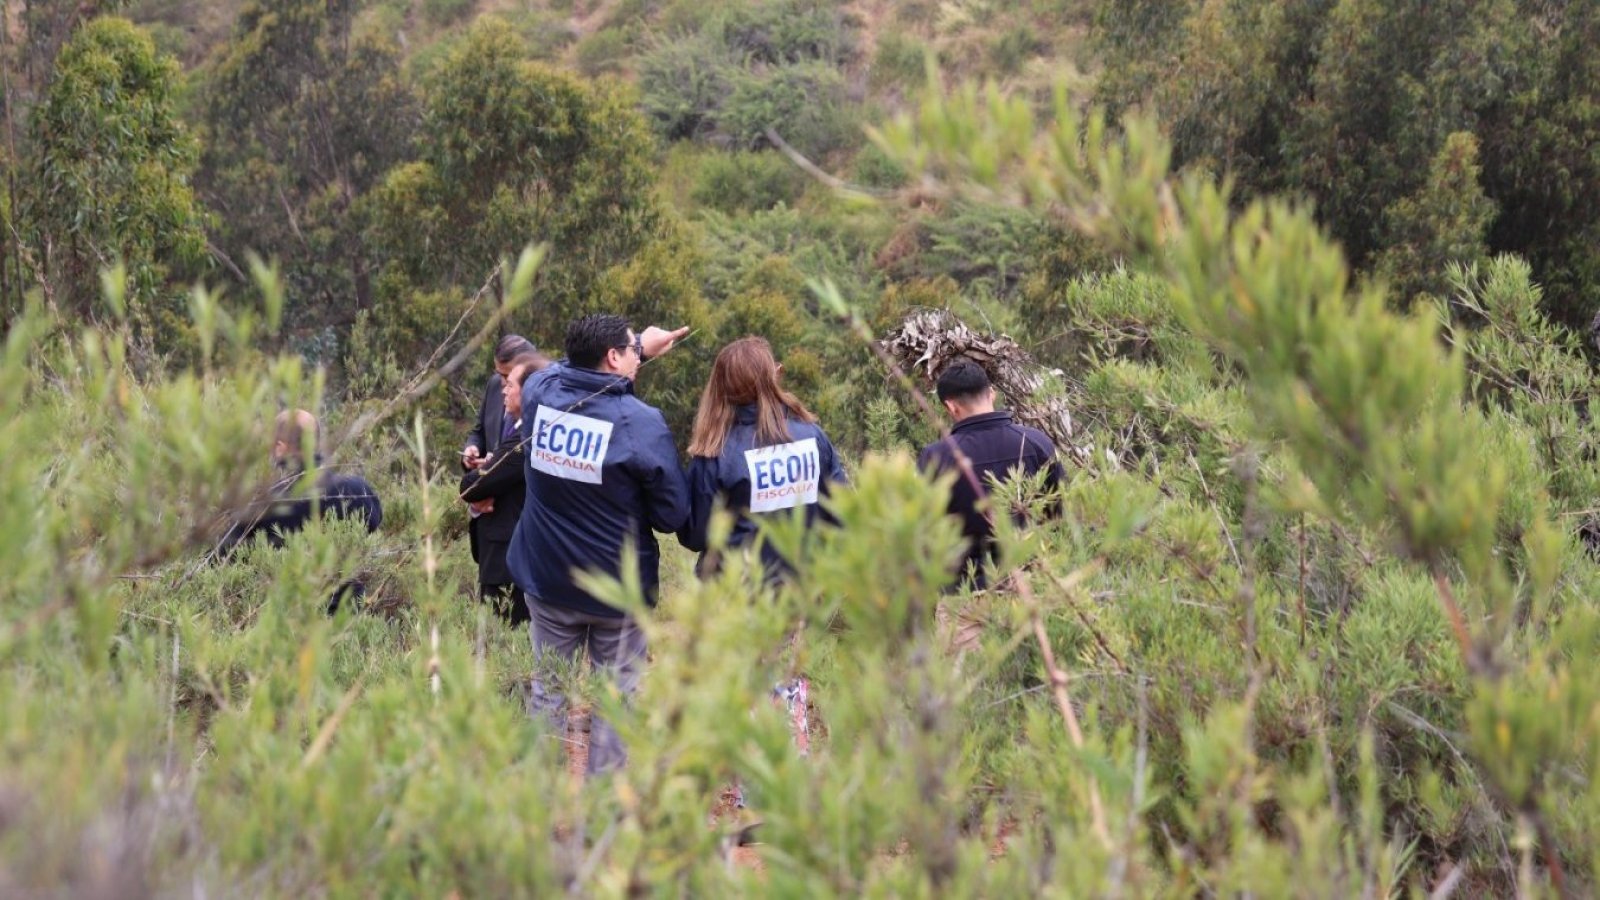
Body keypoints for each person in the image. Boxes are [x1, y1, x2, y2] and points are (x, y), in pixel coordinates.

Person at [506, 315, 690, 774]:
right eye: (631, 348)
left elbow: (554, 369)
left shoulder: (539, 393)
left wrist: (641, 350)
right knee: (616, 700)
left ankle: (536, 807)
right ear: (614, 357)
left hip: (548, 581)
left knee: (549, 692)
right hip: (616, 593)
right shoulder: (640, 424)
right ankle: (605, 812)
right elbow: (672, 515)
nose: (637, 353)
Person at [678, 336, 847, 823]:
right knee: (786, 683)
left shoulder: (714, 451)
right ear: (771, 375)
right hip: (796, 584)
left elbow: (695, 533)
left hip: (736, 589)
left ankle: (750, 794)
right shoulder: (811, 437)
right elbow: (842, 510)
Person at [917, 357, 1063, 590]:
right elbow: (1058, 517)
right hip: (1033, 585)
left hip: (967, 594)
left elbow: (926, 531)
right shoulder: (1036, 443)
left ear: (951, 406)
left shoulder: (936, 457)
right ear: (991, 393)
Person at [219, 409, 383, 611]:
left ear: (280, 448)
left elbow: (222, 557)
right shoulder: (359, 491)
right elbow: (374, 526)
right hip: (349, 621)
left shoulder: (263, 504)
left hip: (291, 621)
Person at [459, 350, 549, 625]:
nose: (503, 392)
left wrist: (479, 481)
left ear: (530, 392)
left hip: (509, 562)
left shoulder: (524, 440)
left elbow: (470, 487)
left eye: (510, 385)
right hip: (505, 557)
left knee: (504, 641)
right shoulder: (522, 434)